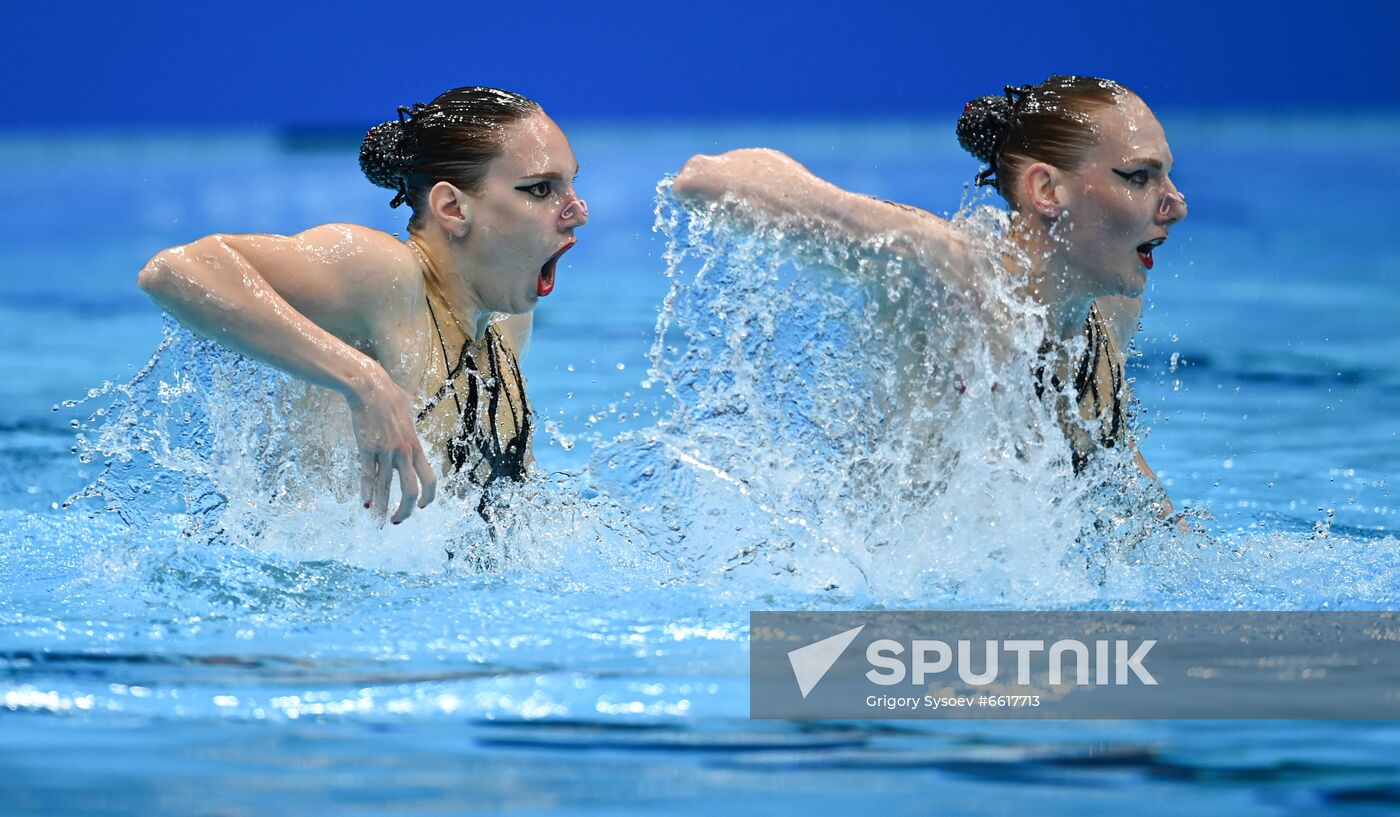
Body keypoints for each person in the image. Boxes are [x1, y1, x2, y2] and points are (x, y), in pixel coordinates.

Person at [670, 75, 1186, 516]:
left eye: (1166, 177)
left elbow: (1115, 468)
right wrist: (850, 218)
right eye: (1139, 177)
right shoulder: (948, 275)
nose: (1176, 205)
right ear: (1047, 191)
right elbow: (704, 179)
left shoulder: (1109, 311)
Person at [138, 86, 587, 525]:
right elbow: (176, 271)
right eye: (540, 190)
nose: (578, 212)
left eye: (571, 185)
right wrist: (363, 382)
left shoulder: (506, 325)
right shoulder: (386, 278)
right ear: (452, 207)